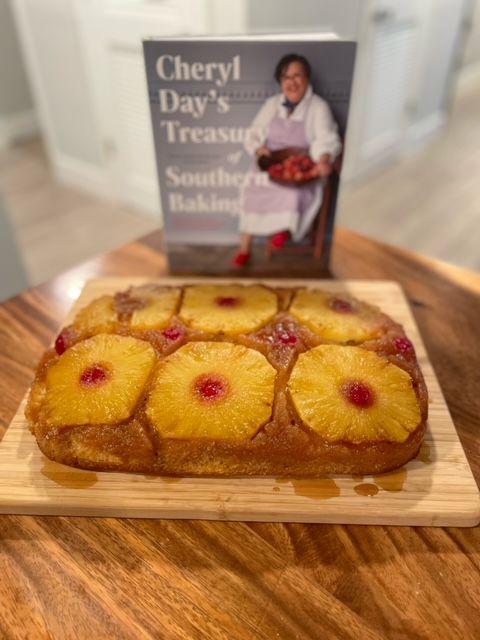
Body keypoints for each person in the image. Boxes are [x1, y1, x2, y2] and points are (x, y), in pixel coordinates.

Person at [233, 53, 341, 267]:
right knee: (252, 185)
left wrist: (323, 158)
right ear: (280, 82)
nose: (292, 83)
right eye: (286, 78)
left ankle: (283, 231)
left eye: (297, 76)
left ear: (307, 78)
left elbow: (326, 138)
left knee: (294, 191)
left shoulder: (319, 107)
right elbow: (253, 132)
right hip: (271, 164)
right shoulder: (272, 104)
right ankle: (245, 248)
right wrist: (258, 148)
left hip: (301, 165)